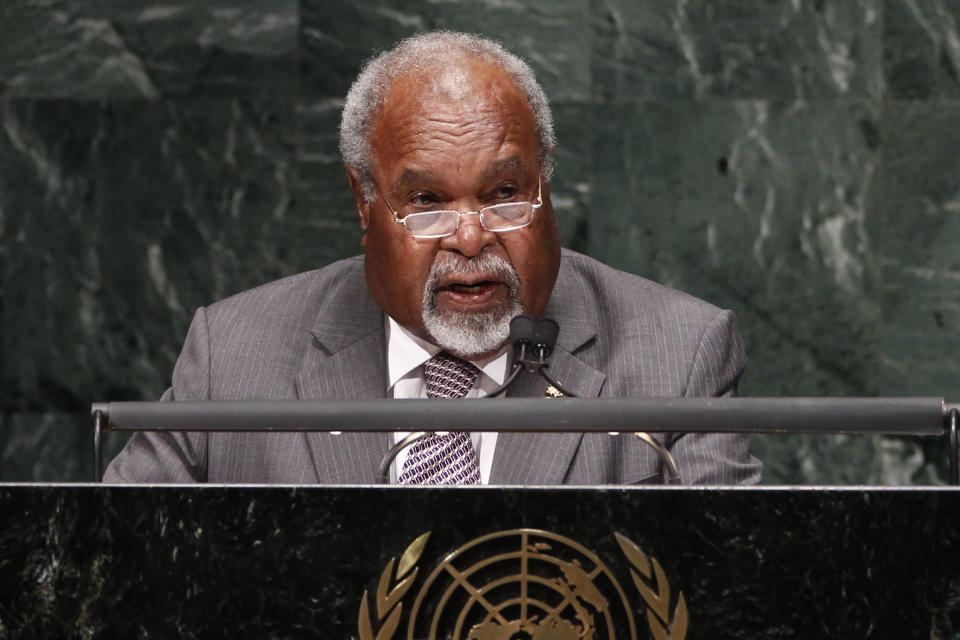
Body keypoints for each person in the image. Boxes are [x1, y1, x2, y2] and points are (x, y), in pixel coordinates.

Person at [104, 31, 761, 485]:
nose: (471, 238)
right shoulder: (233, 358)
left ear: (546, 187)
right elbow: (108, 574)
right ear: (365, 203)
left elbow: (738, 598)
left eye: (505, 193)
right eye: (427, 201)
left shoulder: (680, 355)